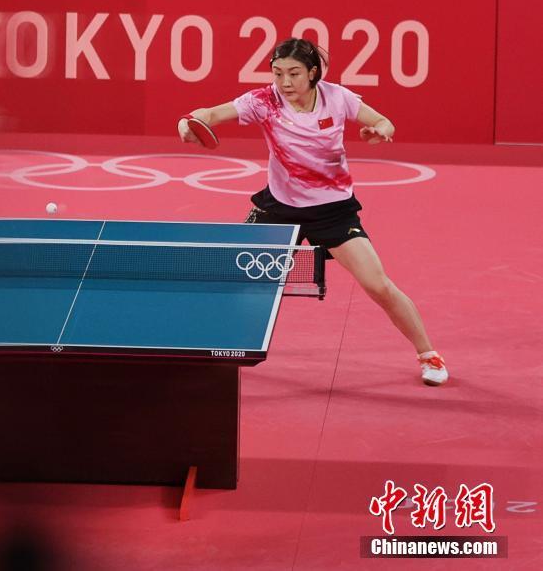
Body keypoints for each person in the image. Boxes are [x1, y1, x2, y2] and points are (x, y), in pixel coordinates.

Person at [179, 37, 448, 386]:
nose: (285, 83)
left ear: (313, 72)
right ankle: (206, 350)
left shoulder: (337, 98)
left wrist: (380, 131)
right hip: (279, 207)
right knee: (235, 279)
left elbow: (383, 121)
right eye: (278, 74)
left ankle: (429, 354)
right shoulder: (264, 101)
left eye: (293, 73)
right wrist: (188, 123)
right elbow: (211, 114)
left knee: (377, 284)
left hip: (333, 210)